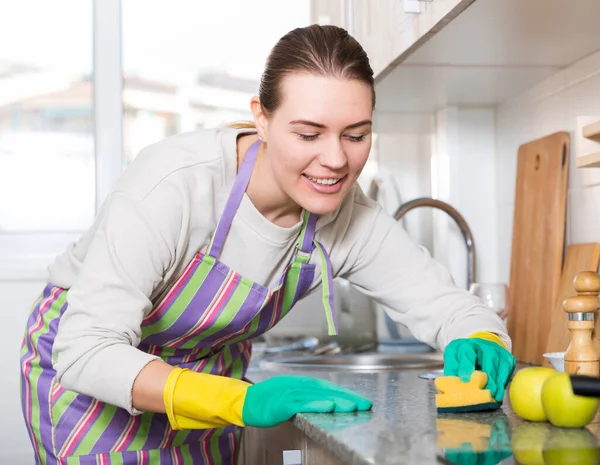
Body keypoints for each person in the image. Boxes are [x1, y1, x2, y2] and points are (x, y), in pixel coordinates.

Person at [20, 24, 515, 465]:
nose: (335, 160)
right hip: (92, 379)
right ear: (260, 117)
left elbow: (448, 307)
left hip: (209, 380)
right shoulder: (173, 186)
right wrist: (238, 402)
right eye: (308, 133)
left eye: (356, 135)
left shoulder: (348, 217)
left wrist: (480, 338)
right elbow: (86, 350)